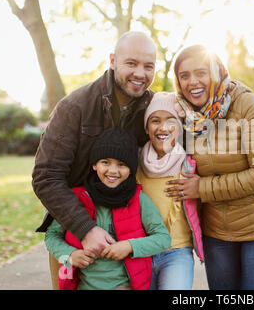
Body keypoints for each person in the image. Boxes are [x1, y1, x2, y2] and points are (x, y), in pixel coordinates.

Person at [32, 31, 158, 289]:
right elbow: (46, 176)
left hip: (125, 232)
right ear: (113, 60)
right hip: (73, 229)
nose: (140, 73)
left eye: (148, 66)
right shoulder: (74, 107)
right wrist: (85, 229)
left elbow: (186, 131)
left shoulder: (152, 108)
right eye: (131, 63)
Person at [165, 44, 254, 290]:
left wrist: (202, 188)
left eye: (201, 72)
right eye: (184, 76)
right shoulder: (183, 114)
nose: (193, 82)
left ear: (217, 71)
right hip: (217, 233)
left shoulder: (248, 105)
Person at [44, 128, 171, 290]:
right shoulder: (75, 199)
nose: (113, 170)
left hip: (125, 286)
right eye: (105, 162)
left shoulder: (138, 199)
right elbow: (51, 236)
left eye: (122, 164)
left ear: (131, 169)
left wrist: (129, 246)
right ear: (94, 165)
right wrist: (70, 255)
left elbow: (163, 239)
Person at [136, 92, 204, 290]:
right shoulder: (136, 163)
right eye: (155, 121)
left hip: (177, 252)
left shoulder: (190, 164)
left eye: (170, 121)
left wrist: (203, 186)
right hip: (142, 251)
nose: (163, 127)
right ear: (147, 128)